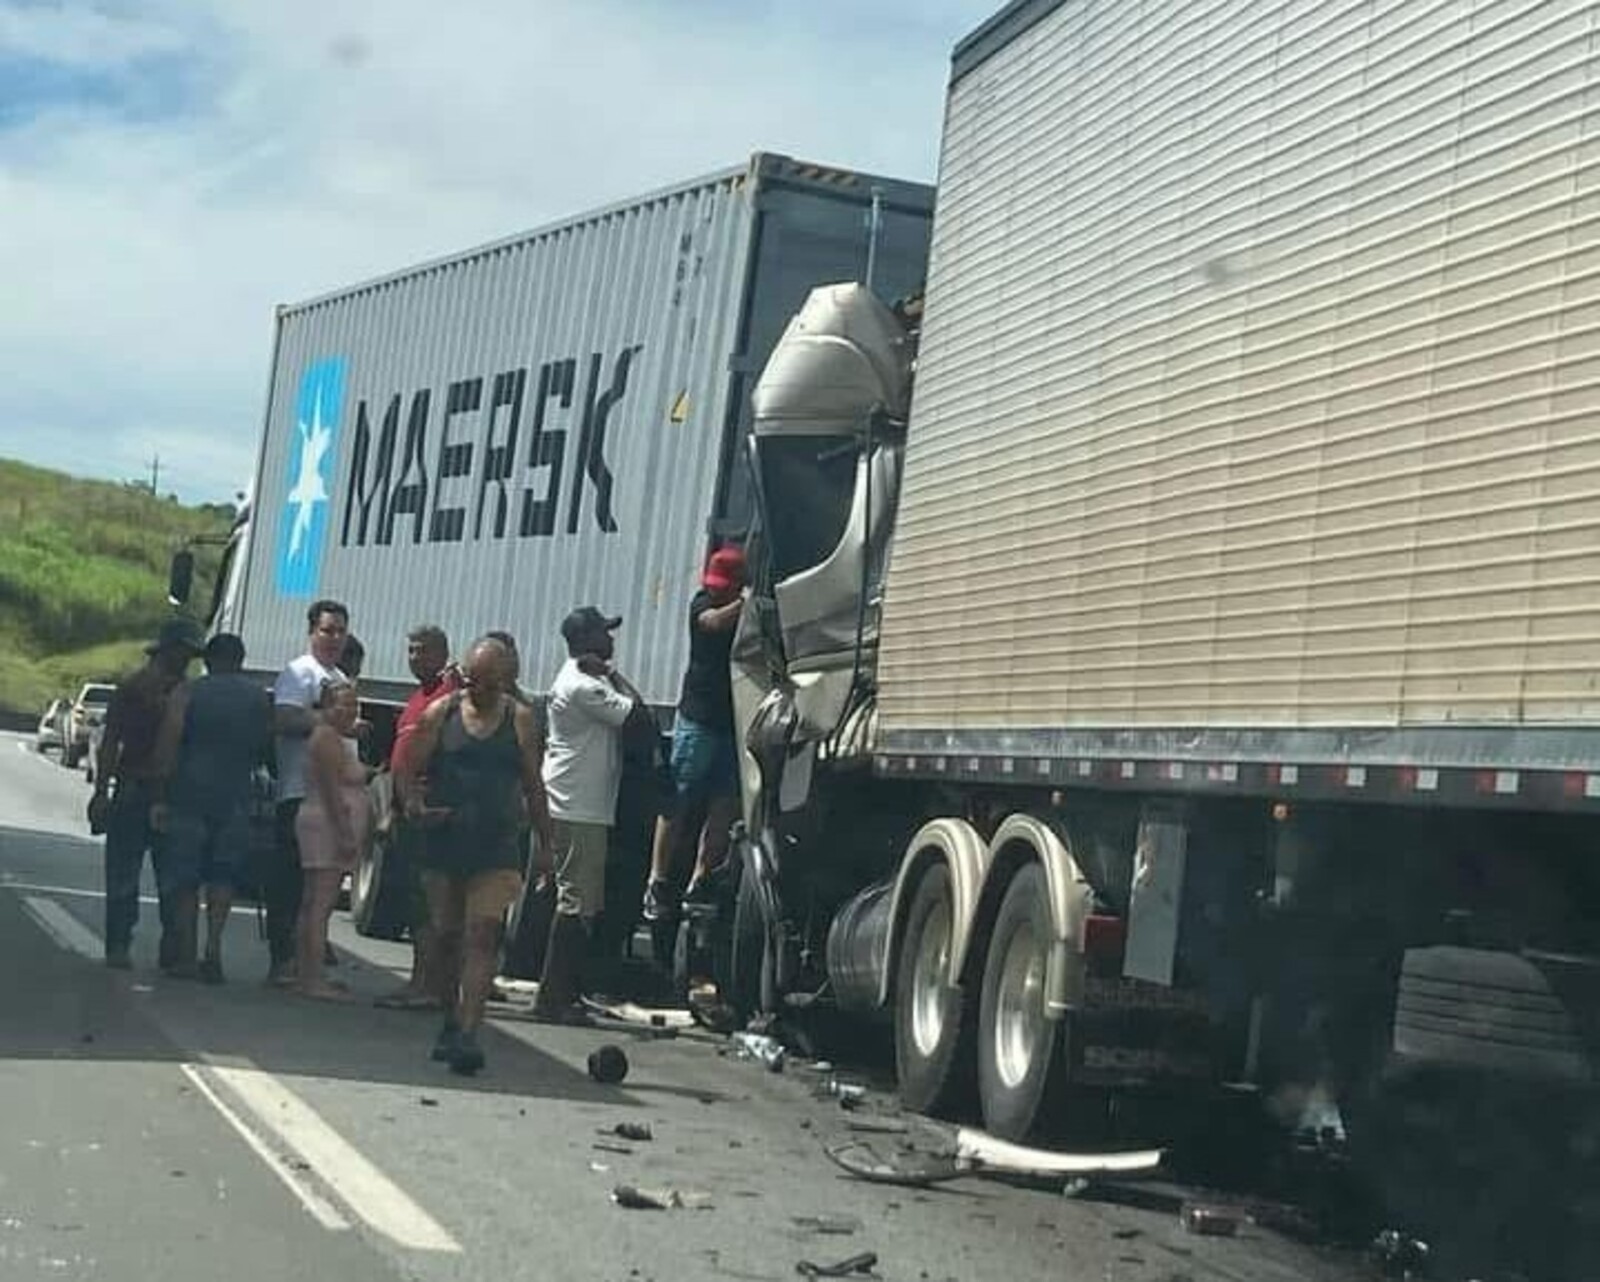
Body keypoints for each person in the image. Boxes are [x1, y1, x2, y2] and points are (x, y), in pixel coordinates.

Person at [398, 638, 552, 1074]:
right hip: (445, 840)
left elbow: (534, 786)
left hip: (496, 844)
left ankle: (469, 1032)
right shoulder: (441, 713)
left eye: (488, 681)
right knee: (446, 938)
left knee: (483, 934)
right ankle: (451, 1015)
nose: (477, 688)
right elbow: (408, 767)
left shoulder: (519, 719)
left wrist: (545, 844)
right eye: (471, 679)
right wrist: (414, 806)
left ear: (505, 680)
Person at [535, 607, 644, 1023]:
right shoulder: (583, 685)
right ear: (588, 641)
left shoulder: (580, 680)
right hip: (577, 805)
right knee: (577, 902)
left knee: (576, 899)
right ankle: (554, 996)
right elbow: (638, 717)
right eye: (605, 634)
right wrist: (613, 676)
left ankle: (560, 992)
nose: (612, 641)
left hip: (577, 802)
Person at [150, 633, 273, 984]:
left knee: (186, 877)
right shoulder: (258, 699)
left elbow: (169, 742)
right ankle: (214, 949)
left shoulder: (188, 692)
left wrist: (159, 795)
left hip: (189, 794)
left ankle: (186, 954)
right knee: (223, 875)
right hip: (236, 795)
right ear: (241, 659)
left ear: (209, 659)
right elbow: (266, 745)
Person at [88, 616, 205, 970]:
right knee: (126, 876)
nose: (186, 659)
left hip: (169, 793)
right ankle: (119, 944)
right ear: (167, 650)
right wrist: (101, 789)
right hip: (135, 788)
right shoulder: (134, 689)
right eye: (182, 652)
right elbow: (111, 742)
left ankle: (170, 951)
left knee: (174, 878)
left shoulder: (186, 693)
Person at [642, 545, 748, 922]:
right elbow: (713, 623)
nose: (716, 590)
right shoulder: (702, 604)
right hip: (698, 719)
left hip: (732, 722)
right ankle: (658, 880)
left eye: (725, 586)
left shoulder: (747, 615)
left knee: (725, 805)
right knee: (678, 801)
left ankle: (700, 880)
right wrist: (748, 605)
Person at [374, 624, 459, 1010]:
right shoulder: (414, 700)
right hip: (405, 811)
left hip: (430, 811)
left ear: (442, 654)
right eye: (410, 651)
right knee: (413, 902)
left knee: (429, 905)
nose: (414, 658)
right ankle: (419, 981)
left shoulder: (449, 697)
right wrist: (391, 811)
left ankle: (430, 985)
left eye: (422, 651)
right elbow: (400, 760)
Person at [268, 599, 350, 985]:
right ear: (311, 632)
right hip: (298, 793)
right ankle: (281, 961)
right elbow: (283, 718)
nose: (334, 638)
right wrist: (327, 717)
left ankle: (307, 964)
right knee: (289, 884)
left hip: (329, 795)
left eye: (340, 631)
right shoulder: (298, 674)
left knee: (319, 892)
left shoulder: (342, 677)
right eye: (327, 630)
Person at [295, 679, 368, 1001]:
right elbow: (330, 791)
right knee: (320, 904)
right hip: (326, 824)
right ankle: (312, 978)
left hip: (325, 821)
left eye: (355, 705)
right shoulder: (326, 739)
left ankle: (307, 972)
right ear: (326, 706)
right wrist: (345, 835)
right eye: (343, 704)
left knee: (313, 902)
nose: (350, 711)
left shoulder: (336, 738)